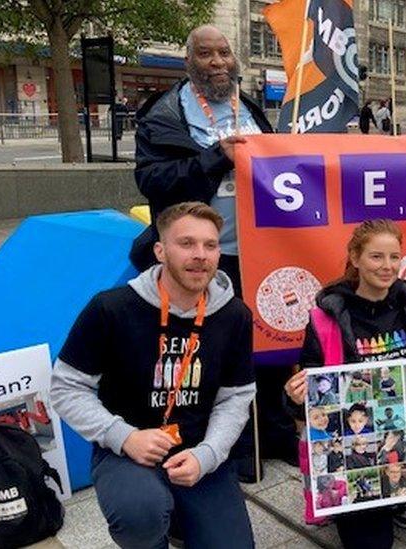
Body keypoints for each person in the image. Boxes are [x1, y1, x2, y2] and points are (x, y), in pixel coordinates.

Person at [129, 25, 288, 478]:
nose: (217, 61)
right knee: (213, 352)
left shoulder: (251, 107)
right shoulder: (163, 114)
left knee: (270, 342)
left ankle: (273, 433)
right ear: (189, 61)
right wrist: (215, 157)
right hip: (201, 259)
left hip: (258, 251)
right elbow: (152, 181)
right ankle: (227, 449)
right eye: (206, 53)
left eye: (223, 52)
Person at [51, 202, 255, 548]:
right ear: (160, 251)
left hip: (197, 450)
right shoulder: (111, 308)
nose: (200, 255)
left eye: (210, 245)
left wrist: (207, 454)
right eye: (186, 243)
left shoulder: (234, 314)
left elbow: (235, 398)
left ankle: (181, 518)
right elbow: (66, 387)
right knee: (140, 513)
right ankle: (154, 527)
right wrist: (123, 436)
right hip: (126, 450)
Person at [282, 219, 406, 546]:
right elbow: (309, 390)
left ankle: (400, 495)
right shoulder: (327, 317)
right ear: (355, 258)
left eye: (394, 257)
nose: (387, 266)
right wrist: (294, 397)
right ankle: (376, 501)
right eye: (376, 257)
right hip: (358, 443)